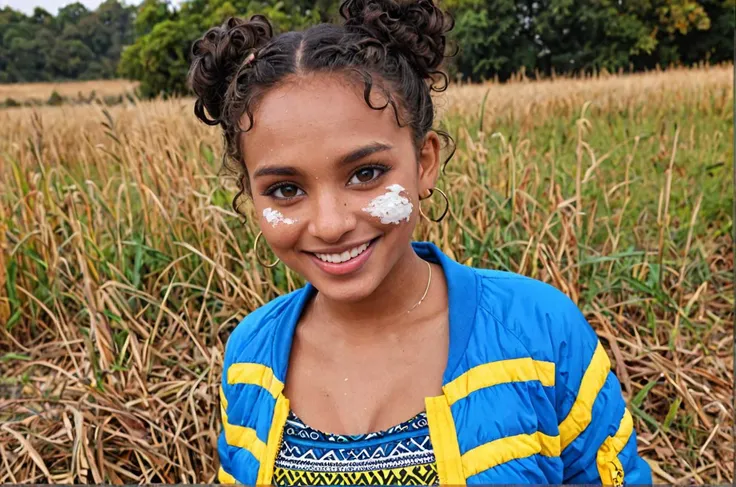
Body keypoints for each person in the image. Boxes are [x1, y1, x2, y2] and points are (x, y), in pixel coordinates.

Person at [188, 0, 652, 484]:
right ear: (249, 192)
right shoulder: (250, 358)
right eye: (286, 190)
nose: (329, 224)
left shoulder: (537, 333)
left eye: (365, 174)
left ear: (425, 162)